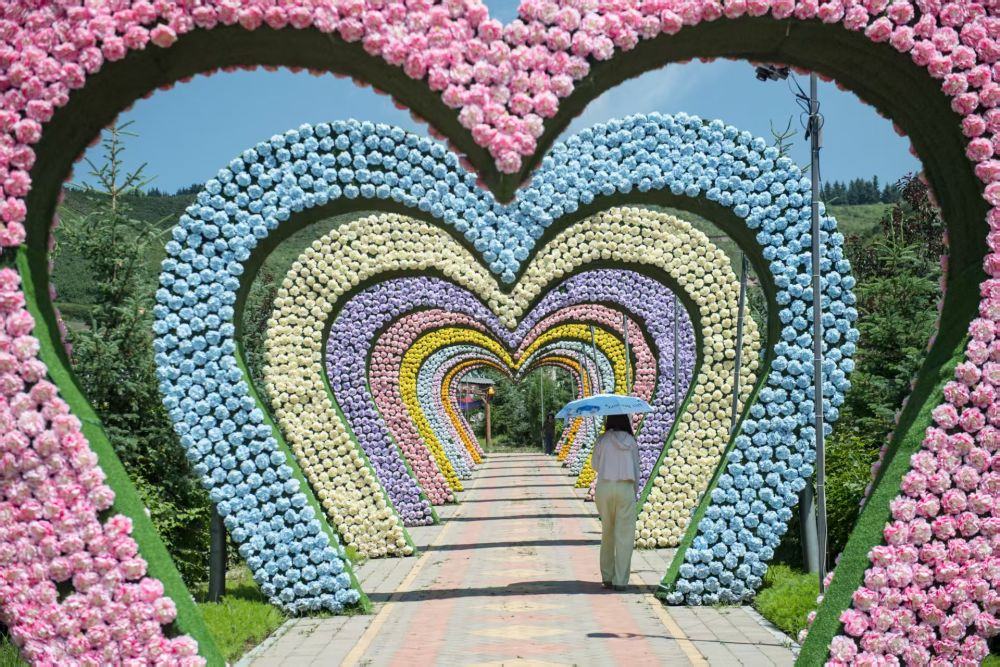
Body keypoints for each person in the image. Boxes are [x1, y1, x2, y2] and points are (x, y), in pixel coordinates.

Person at [590, 413, 641, 591]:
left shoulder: (602, 440)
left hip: (605, 487)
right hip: (625, 488)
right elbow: (636, 468)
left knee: (607, 532)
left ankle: (607, 576)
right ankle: (620, 580)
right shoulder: (631, 441)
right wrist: (634, 491)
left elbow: (594, 465)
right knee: (624, 536)